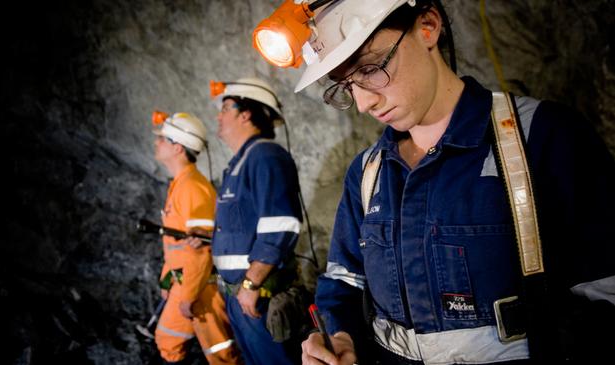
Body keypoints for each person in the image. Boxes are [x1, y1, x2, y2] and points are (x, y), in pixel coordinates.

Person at [256, 1, 615, 364]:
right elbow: (344, 281)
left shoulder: (542, 138)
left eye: (372, 68)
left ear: (428, 26)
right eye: (346, 86)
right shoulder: (367, 173)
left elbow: (605, 296)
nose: (363, 102)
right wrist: (341, 336)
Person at [205, 77, 304, 365]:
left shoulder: (265, 155)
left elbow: (281, 224)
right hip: (240, 293)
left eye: (225, 108)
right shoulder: (239, 163)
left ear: (245, 113)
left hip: (258, 292)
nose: (218, 116)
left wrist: (251, 284)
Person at [151, 111, 241, 365]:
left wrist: (188, 295)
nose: (156, 142)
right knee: (218, 353)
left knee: (210, 351)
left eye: (162, 139)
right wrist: (167, 281)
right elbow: (176, 246)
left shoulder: (192, 188)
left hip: (199, 286)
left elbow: (201, 250)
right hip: (186, 282)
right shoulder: (181, 184)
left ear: (177, 147)